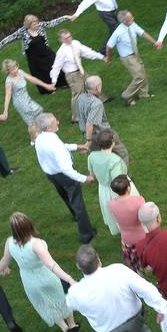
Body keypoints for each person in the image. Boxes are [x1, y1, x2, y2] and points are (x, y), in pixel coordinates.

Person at [0, 212, 80, 332]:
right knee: (62, 298)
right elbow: (51, 265)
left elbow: (4, 261)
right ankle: (72, 325)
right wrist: (69, 279)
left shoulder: (9, 242)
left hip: (29, 281)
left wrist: (0, 269)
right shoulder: (37, 244)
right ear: (29, 226)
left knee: (47, 303)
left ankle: (65, 329)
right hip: (46, 276)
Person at [33, 113, 96, 243]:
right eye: (55, 121)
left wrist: (78, 147)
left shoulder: (40, 137)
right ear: (49, 128)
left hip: (51, 175)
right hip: (64, 176)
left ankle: (74, 215)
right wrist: (85, 178)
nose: (58, 122)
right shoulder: (54, 143)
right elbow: (66, 169)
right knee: (78, 203)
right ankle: (86, 234)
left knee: (66, 197)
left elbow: (62, 146)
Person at [0, 14, 70, 94]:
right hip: (34, 57)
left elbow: (52, 23)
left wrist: (66, 17)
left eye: (37, 23)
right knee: (41, 72)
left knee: (56, 65)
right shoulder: (22, 32)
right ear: (28, 25)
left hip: (45, 51)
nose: (37, 25)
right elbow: (9, 38)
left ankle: (63, 83)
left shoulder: (40, 26)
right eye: (34, 24)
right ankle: (48, 89)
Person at [69, 0, 141, 52]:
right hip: (105, 13)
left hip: (114, 10)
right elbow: (85, 3)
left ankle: (106, 49)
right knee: (117, 28)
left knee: (113, 31)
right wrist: (76, 14)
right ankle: (112, 49)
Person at [105, 10, 159, 106]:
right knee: (139, 76)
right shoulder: (118, 32)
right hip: (127, 57)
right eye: (130, 17)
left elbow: (142, 33)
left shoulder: (132, 24)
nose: (133, 18)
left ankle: (143, 94)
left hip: (135, 54)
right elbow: (109, 46)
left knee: (142, 72)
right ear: (124, 21)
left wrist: (154, 42)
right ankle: (126, 95)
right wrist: (108, 58)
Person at [87, 129, 136, 236]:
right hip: (117, 191)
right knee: (127, 212)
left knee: (113, 215)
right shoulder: (115, 160)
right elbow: (119, 183)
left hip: (103, 190)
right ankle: (129, 231)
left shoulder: (92, 156)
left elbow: (91, 174)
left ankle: (122, 230)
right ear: (113, 142)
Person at [50, 29, 104, 122]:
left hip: (81, 71)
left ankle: (101, 99)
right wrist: (53, 81)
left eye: (70, 36)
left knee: (92, 83)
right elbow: (56, 67)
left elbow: (87, 52)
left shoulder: (75, 43)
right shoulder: (61, 52)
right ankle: (76, 117)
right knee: (78, 95)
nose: (69, 39)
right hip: (72, 75)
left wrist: (101, 57)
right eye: (66, 38)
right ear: (61, 40)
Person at [77, 75, 129, 165]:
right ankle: (122, 177)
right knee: (122, 153)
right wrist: (88, 142)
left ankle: (106, 177)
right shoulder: (96, 103)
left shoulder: (80, 98)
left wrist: (88, 139)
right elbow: (90, 123)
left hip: (87, 134)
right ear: (97, 88)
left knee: (102, 160)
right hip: (102, 135)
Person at [1, 60, 54, 142]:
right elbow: (8, 96)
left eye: (15, 67)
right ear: (8, 71)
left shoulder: (20, 72)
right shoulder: (9, 81)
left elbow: (32, 79)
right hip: (20, 103)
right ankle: (33, 140)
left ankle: (39, 134)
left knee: (38, 111)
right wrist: (5, 111)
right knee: (32, 121)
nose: (15, 70)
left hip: (27, 99)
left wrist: (46, 86)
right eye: (12, 69)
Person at [107, 174, 145, 270]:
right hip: (141, 236)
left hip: (126, 238)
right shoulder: (139, 200)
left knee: (133, 262)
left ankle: (138, 273)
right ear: (128, 188)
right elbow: (144, 217)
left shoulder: (111, 204)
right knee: (146, 257)